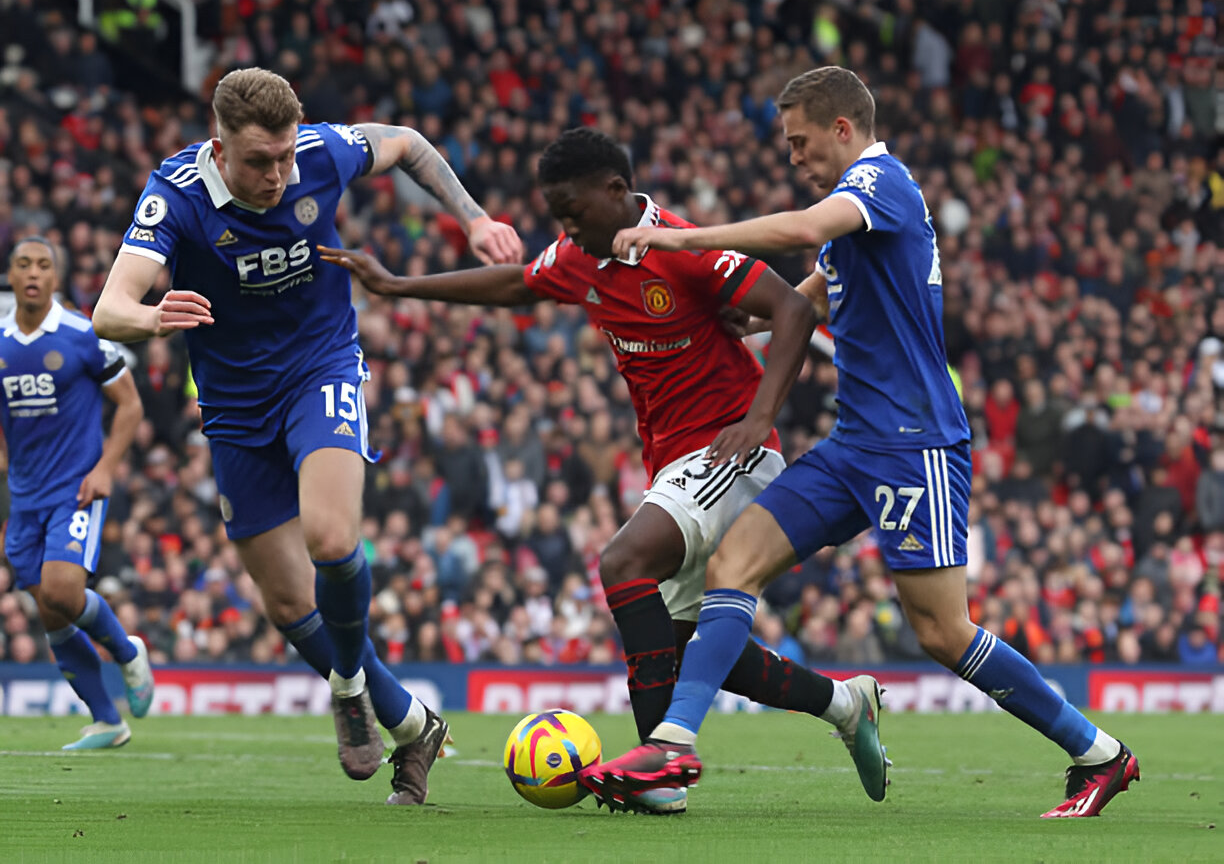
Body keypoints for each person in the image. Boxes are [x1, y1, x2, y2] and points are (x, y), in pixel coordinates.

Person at [582, 67, 1139, 819]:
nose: (792, 156)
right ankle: (674, 741)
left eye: (801, 141)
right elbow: (806, 294)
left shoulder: (882, 184)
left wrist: (682, 240)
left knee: (943, 632)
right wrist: (728, 322)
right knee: (733, 562)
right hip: (853, 447)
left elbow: (806, 230)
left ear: (844, 129)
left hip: (916, 446)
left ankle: (1100, 753)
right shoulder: (856, 223)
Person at [320, 127, 889, 815]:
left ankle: (657, 769)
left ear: (616, 193)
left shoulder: (682, 250)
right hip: (673, 465)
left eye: (573, 210)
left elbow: (793, 307)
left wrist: (762, 415)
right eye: (557, 214)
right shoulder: (579, 257)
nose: (565, 227)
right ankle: (843, 703)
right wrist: (401, 285)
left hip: (729, 453)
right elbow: (517, 284)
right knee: (682, 646)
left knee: (623, 561)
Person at [92, 67, 521, 803]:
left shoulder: (321, 153)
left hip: (320, 369)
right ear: (219, 148)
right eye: (260, 161)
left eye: (286, 157)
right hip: (233, 407)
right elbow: (109, 308)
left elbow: (409, 143)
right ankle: (413, 724)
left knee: (330, 538)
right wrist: (153, 316)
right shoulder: (176, 196)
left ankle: (350, 684)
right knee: (290, 605)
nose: (279, 175)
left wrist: (473, 217)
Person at [0, 236, 154, 749]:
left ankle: (127, 653)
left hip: (77, 489)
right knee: (49, 610)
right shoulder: (0, 341)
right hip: (24, 496)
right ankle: (108, 721)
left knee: (64, 592)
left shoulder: (82, 334)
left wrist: (107, 467)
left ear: (56, 277)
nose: (33, 273)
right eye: (23, 264)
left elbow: (129, 405)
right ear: (11, 274)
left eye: (43, 264)